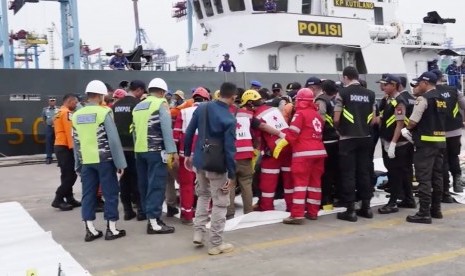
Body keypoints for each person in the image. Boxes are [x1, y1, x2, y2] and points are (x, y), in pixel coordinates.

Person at [184, 82, 237, 255]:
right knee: (220, 203)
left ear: (219, 93)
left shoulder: (202, 108)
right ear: (233, 97)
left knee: (203, 196)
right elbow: (230, 149)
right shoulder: (229, 118)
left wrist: (187, 155)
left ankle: (198, 232)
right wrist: (231, 173)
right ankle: (215, 243)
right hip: (217, 165)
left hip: (200, 160)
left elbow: (189, 132)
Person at [72, 80, 127, 242]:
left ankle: (90, 230)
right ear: (100, 95)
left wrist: (78, 164)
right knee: (110, 193)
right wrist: (120, 163)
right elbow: (114, 140)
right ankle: (111, 229)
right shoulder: (104, 113)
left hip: (86, 161)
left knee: (88, 195)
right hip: (105, 160)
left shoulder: (76, 115)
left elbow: (76, 142)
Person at [132, 78, 178, 234]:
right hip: (156, 151)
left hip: (140, 151)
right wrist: (172, 151)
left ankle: (148, 214)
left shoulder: (138, 106)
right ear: (162, 92)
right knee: (156, 186)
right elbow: (166, 129)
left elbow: (134, 130)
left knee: (144, 185)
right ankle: (154, 222)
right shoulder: (161, 104)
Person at [274, 88, 327, 224]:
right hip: (319, 153)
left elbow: (293, 134)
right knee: (315, 184)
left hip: (303, 154)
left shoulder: (300, 114)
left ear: (300, 100)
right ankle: (313, 212)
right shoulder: (316, 114)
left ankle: (297, 215)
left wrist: (281, 142)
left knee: (300, 185)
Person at [402, 72, 447, 224]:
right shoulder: (442, 99)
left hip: (425, 144)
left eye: (419, 82)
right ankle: (436, 209)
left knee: (424, 178)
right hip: (439, 143)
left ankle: (424, 213)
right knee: (437, 177)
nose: (418, 85)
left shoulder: (423, 99)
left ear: (425, 83)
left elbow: (413, 121)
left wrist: (406, 129)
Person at [334, 66, 376, 222]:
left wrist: (339, 130)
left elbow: (337, 118)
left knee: (348, 173)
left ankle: (350, 210)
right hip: (366, 137)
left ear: (345, 77)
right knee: (364, 172)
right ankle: (366, 208)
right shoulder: (370, 94)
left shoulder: (343, 93)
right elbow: (373, 119)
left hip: (348, 138)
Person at [241, 90, 292, 211]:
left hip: (273, 151)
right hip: (288, 146)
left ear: (250, 103)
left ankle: (266, 206)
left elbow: (258, 138)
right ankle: (291, 206)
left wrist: (258, 149)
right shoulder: (273, 109)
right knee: (289, 180)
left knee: (267, 181)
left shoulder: (256, 116)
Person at [376, 75, 415, 214]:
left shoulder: (399, 102)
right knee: (403, 172)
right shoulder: (389, 100)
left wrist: (392, 143)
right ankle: (409, 199)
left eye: (386, 85)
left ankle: (392, 203)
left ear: (394, 85)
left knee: (395, 173)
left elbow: (399, 124)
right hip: (392, 140)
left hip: (398, 144)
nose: (383, 87)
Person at [173, 87, 211, 224]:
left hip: (186, 155)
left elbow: (176, 136)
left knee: (186, 185)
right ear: (207, 99)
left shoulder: (183, 112)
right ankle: (206, 213)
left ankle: (187, 214)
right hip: (207, 154)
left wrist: (175, 154)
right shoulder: (211, 111)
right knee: (206, 185)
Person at [112, 80, 146, 221]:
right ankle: (140, 211)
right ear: (138, 90)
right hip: (134, 147)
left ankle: (127, 210)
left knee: (124, 180)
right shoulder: (137, 105)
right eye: (142, 92)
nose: (142, 95)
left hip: (120, 148)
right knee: (137, 178)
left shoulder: (116, 105)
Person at [430, 69, 465, 199]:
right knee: (454, 156)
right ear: (442, 77)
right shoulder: (454, 90)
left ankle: (445, 189)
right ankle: (457, 183)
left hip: (438, 132)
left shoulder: (430, 93)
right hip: (455, 130)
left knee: (442, 160)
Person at [52, 94, 79, 211]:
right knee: (71, 175)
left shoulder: (58, 112)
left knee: (65, 174)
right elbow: (70, 132)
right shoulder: (67, 113)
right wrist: (74, 149)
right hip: (65, 147)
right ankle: (58, 198)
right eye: (75, 102)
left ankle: (69, 198)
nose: (76, 105)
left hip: (59, 145)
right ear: (70, 101)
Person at [315, 80, 340, 208]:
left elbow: (320, 120)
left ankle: (325, 200)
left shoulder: (321, 100)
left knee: (324, 173)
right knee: (333, 171)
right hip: (336, 139)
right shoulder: (335, 100)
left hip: (325, 140)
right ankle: (331, 199)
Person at [42, 97, 59, 164]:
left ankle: (59, 158)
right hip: (49, 127)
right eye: (51, 101)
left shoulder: (58, 109)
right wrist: (46, 125)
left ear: (55, 102)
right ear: (48, 102)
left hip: (57, 127)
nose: (52, 102)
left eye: (53, 101)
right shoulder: (45, 110)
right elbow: (43, 118)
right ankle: (49, 157)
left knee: (58, 143)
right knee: (48, 142)